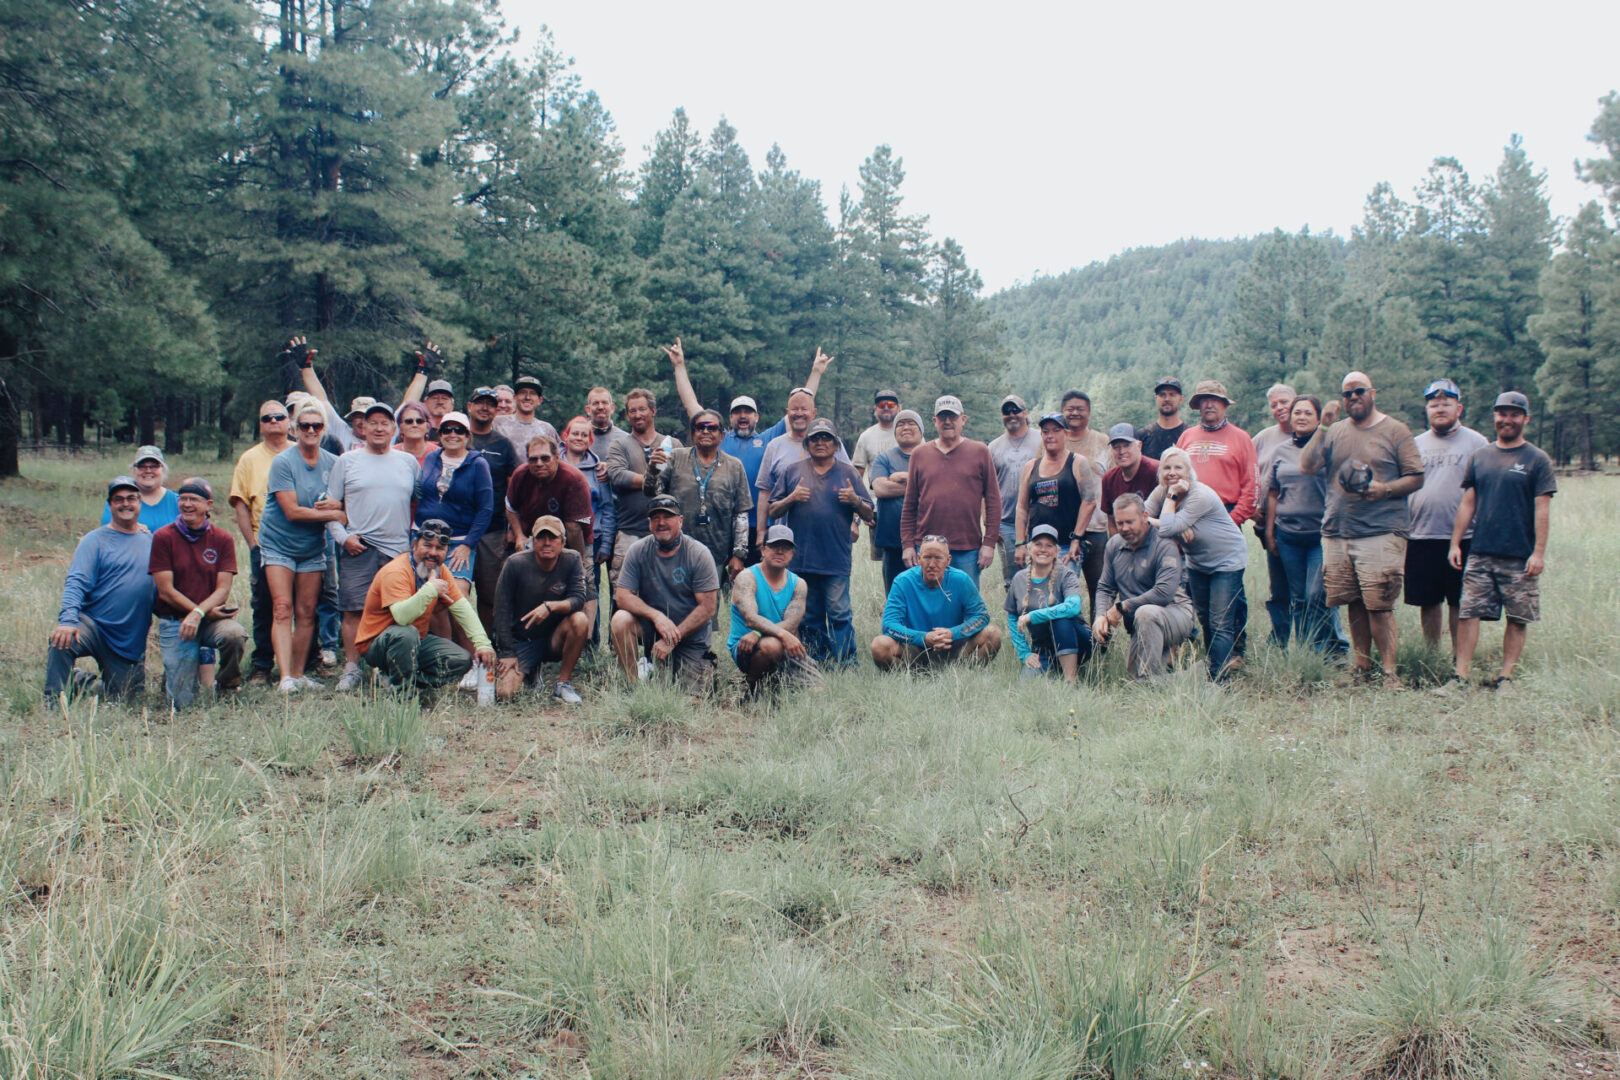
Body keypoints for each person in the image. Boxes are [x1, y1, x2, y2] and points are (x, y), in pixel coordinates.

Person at [1298, 371, 1425, 687]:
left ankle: (1390, 672)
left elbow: (1416, 477)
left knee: (1379, 604)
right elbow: (1307, 464)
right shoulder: (1335, 431)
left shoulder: (1396, 430)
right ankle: (1362, 667)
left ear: (1373, 393)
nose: (1353, 398)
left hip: (1381, 531)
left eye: (1359, 391)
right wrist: (1323, 425)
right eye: (1347, 393)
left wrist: (1385, 489)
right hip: (1338, 530)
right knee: (1353, 600)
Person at [1437, 391, 1555, 694]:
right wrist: (1455, 543)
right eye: (1502, 414)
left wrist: (1538, 553)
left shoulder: (1537, 459)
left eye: (1515, 414)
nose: (1507, 419)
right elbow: (1468, 503)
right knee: (1468, 612)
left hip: (1518, 555)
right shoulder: (1481, 457)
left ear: (1525, 419)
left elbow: (1542, 509)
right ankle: (1460, 677)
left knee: (1518, 617)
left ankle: (1506, 678)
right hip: (1480, 552)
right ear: (1495, 417)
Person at [324, 400, 420, 692]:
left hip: (398, 551)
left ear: (394, 429)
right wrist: (344, 538)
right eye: (372, 423)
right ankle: (352, 668)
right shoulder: (347, 461)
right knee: (353, 609)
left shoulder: (408, 462)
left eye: (385, 423)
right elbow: (331, 507)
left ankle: (391, 669)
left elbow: (419, 504)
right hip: (359, 547)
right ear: (362, 428)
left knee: (396, 611)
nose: (379, 428)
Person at [767, 419, 875, 666]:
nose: (820, 443)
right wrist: (792, 498)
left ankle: (847, 662)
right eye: (815, 438)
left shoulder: (848, 473)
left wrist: (855, 501)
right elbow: (773, 511)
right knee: (810, 614)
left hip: (836, 557)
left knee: (839, 612)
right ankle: (817, 660)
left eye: (826, 438)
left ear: (836, 444)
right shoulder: (793, 471)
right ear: (806, 444)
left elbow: (870, 514)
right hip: (802, 558)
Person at [44, 476, 155, 703]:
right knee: (61, 642)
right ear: (110, 505)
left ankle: (82, 682)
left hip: (128, 638)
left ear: (140, 502)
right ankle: (53, 702)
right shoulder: (94, 540)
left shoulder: (152, 540)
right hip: (93, 625)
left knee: (125, 699)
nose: (125, 504)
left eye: (131, 498)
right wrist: (67, 620)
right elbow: (76, 581)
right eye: (118, 499)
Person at [355, 519, 497, 692]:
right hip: (377, 644)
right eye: (427, 546)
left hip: (416, 641)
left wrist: (483, 643)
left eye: (440, 548)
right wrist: (430, 589)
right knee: (406, 633)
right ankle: (401, 695)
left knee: (460, 659)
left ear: (446, 551)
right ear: (414, 545)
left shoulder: (441, 571)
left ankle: (407, 682)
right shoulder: (396, 571)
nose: (433, 553)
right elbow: (402, 617)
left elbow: (462, 608)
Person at [258, 403, 343, 693]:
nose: (310, 431)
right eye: (304, 425)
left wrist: (338, 508)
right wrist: (334, 514)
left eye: (316, 426)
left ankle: (298, 673)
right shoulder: (283, 462)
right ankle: (284, 677)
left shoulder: (333, 463)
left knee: (307, 611)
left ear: (323, 431)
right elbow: (292, 511)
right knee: (283, 608)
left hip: (312, 545)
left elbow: (343, 500)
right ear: (294, 430)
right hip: (278, 542)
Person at [1145, 447, 1249, 681]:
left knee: (1219, 621)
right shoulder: (1161, 491)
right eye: (1167, 467)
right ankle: (1214, 667)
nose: (1172, 473)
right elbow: (1140, 517)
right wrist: (1166, 521)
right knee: (1204, 618)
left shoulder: (1199, 495)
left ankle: (1219, 681)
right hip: (1198, 562)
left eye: (1178, 467)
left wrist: (1171, 510)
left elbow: (1168, 529)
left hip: (1227, 560)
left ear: (1189, 472)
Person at [1406, 378, 1488, 654]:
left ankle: (1458, 658)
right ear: (1426, 409)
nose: (1439, 409)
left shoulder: (1477, 443)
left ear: (1459, 408)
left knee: (1459, 601)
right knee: (1428, 601)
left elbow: (1485, 490)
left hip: (1464, 536)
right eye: (1434, 404)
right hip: (1421, 533)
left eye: (1446, 404)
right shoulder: (1414, 444)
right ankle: (1431, 655)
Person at [148, 477, 246, 707]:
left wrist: (199, 614)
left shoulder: (222, 539)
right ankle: (173, 674)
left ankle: (227, 685)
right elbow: (166, 591)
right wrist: (198, 612)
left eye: (194, 499)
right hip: (176, 621)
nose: (187, 504)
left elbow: (223, 589)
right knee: (181, 703)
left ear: (208, 505)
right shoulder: (163, 537)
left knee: (234, 635)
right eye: (183, 499)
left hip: (209, 620)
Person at [610, 494, 721, 691]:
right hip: (653, 629)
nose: (661, 523)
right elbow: (622, 596)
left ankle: (663, 665)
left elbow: (708, 608)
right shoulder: (638, 550)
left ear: (680, 520)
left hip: (690, 637)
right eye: (655, 518)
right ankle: (634, 686)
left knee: (692, 701)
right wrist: (656, 616)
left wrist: (672, 638)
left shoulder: (698, 553)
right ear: (649, 522)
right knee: (620, 619)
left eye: (667, 517)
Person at [1265, 396, 1344, 653]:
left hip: (1321, 534)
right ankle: (1305, 649)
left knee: (1317, 595)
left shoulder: (1329, 448)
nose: (1301, 417)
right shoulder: (1281, 451)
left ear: (1318, 418)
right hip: (1288, 534)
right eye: (1296, 412)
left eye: (1308, 413)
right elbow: (1273, 493)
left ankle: (1327, 648)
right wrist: (1270, 532)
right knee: (1298, 598)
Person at [1092, 494, 1199, 679]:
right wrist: (1101, 615)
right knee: (1134, 679)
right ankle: (1195, 675)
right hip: (1139, 625)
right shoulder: (1114, 546)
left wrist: (1122, 607)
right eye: (1120, 523)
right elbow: (1105, 587)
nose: (1124, 528)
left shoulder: (1164, 545)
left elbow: (1163, 593)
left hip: (1175, 614)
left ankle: (1151, 681)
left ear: (1144, 516)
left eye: (1130, 522)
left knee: (1146, 613)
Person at [899, 396, 1000, 585]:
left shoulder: (980, 451)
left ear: (963, 420)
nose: (947, 422)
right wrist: (907, 545)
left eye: (952, 417)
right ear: (934, 421)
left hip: (967, 548)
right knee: (928, 603)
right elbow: (910, 504)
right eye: (942, 417)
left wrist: (989, 543)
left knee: (965, 605)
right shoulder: (920, 454)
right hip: (927, 547)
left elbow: (994, 501)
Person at [646, 409, 752, 584]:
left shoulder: (734, 466)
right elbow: (652, 493)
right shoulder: (676, 458)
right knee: (674, 605)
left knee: (708, 606)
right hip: (675, 548)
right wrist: (653, 469)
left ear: (722, 434)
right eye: (700, 427)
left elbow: (741, 514)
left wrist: (739, 555)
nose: (705, 431)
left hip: (716, 552)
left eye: (711, 428)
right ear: (692, 432)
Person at [492, 516, 590, 704]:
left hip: (554, 637)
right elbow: (501, 610)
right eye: (541, 537)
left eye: (552, 538)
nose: (547, 543)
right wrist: (507, 653)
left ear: (563, 542)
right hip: (522, 640)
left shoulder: (572, 559)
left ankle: (563, 683)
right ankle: (531, 670)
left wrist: (550, 607)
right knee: (505, 693)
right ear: (532, 541)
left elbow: (579, 599)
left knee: (580, 620)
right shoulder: (515, 563)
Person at [230, 399, 292, 685]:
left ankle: (307, 659)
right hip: (265, 545)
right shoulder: (249, 459)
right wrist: (253, 544)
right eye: (267, 418)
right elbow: (241, 504)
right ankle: (263, 665)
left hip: (302, 541)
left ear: (289, 421)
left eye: (279, 417)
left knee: (306, 605)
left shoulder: (300, 451)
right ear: (260, 424)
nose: (274, 422)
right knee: (265, 606)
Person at [872, 535, 1001, 668]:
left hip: (954, 646)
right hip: (915, 649)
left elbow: (981, 616)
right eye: (927, 557)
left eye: (938, 558)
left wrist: (952, 634)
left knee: (993, 634)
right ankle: (913, 676)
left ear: (948, 560)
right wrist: (924, 637)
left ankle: (961, 673)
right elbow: (888, 625)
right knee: (879, 646)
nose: (932, 564)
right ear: (919, 558)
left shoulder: (961, 580)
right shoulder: (903, 581)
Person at [287, 335, 430, 452]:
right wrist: (306, 367)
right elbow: (322, 401)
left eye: (368, 419)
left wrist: (423, 371)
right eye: (358, 417)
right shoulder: (341, 431)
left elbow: (408, 403)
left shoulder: (385, 433)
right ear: (351, 418)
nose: (362, 422)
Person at [728, 525, 824, 695]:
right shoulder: (747, 577)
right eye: (774, 546)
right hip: (747, 647)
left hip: (786, 647)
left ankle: (776, 682)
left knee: (818, 691)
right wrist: (781, 635)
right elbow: (751, 618)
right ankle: (750, 686)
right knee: (772, 646)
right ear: (763, 550)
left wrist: (758, 633)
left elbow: (791, 624)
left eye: (786, 547)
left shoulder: (798, 584)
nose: (780, 551)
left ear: (792, 553)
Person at [605, 387, 682, 591]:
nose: (637, 414)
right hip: (630, 532)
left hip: (668, 531)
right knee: (624, 594)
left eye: (642, 409)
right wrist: (653, 478)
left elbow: (680, 481)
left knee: (666, 592)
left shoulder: (672, 444)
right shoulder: (619, 445)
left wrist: (657, 479)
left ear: (653, 410)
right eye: (632, 411)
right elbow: (618, 476)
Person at [754, 385, 851, 547]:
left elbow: (850, 484)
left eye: (804, 409)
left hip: (827, 534)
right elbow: (765, 492)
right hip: (784, 536)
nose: (799, 413)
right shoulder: (774, 446)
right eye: (794, 409)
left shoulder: (832, 444)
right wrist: (761, 531)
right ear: (787, 413)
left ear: (814, 413)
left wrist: (854, 522)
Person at [414, 410, 493, 595]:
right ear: (440, 435)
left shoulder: (478, 464)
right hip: (423, 536)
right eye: (447, 430)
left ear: (467, 436)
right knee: (419, 590)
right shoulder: (432, 457)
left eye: (459, 430)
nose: (452, 434)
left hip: (457, 542)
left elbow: (485, 509)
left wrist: (468, 544)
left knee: (457, 595)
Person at [466, 386, 522, 638]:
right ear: (469, 406)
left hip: (493, 530)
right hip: (459, 530)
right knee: (455, 593)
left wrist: (513, 528)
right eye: (479, 402)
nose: (485, 407)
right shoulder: (457, 436)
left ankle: (489, 643)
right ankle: (461, 647)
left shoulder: (503, 444)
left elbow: (514, 489)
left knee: (490, 594)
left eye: (490, 403)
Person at [1005, 524, 1091, 684]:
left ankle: (1071, 681)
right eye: (1038, 545)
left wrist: (1033, 616)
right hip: (1043, 649)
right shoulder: (1019, 579)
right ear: (1029, 549)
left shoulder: (1067, 575)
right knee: (1027, 686)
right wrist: (1025, 653)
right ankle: (1052, 665)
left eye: (1049, 546)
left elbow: (1073, 607)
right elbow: (1012, 617)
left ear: (1057, 551)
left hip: (1078, 643)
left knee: (1061, 618)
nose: (1043, 549)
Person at [1014, 412, 1099, 571]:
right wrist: (1020, 543)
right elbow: (1021, 507)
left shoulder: (1077, 462)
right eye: (1046, 432)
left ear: (1066, 434)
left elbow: (1089, 502)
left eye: (1056, 431)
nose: (1050, 436)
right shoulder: (1031, 466)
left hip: (1066, 546)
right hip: (1038, 546)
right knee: (1037, 593)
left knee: (1065, 593)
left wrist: (1076, 539)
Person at [561, 416, 616, 644]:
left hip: (589, 540)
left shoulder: (598, 470)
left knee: (588, 589)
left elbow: (607, 507)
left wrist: (606, 543)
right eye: (575, 433)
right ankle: (560, 642)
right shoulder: (554, 463)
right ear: (566, 436)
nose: (579, 438)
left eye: (584, 435)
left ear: (590, 439)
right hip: (557, 538)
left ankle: (589, 643)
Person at [1250, 384, 1297, 647]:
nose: (1279, 408)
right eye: (1274, 405)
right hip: (1269, 524)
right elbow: (1249, 473)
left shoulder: (1310, 435)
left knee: (1313, 589)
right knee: (1279, 587)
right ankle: (1279, 639)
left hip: (1303, 524)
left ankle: (1327, 641)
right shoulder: (1262, 438)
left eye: (1284, 402)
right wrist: (1252, 504)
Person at [1175, 380, 1257, 526]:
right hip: (1188, 516)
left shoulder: (1242, 438)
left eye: (1215, 400)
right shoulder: (1186, 437)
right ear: (1199, 406)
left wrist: (1232, 520)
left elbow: (1252, 486)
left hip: (1226, 514)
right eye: (1204, 400)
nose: (1209, 405)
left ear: (1225, 405)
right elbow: (1173, 478)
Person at [1060, 389, 1112, 603]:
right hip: (1061, 530)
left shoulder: (1103, 441)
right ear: (1062, 412)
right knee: (1060, 588)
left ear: (1089, 413)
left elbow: (1114, 481)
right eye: (1069, 409)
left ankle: (1100, 636)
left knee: (1099, 588)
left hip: (1097, 527)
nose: (1074, 413)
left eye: (1080, 409)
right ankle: (1066, 636)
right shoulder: (1053, 441)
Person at [506, 434, 594, 555]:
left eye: (545, 458)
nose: (539, 463)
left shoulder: (574, 479)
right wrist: (519, 535)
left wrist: (578, 561)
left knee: (578, 569)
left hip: (575, 538)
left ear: (557, 457)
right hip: (533, 537)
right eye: (533, 459)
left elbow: (574, 528)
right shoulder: (520, 475)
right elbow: (511, 507)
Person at [869, 409, 925, 596]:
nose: (906, 427)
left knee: (926, 593)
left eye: (911, 423)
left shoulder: (930, 455)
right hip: (893, 540)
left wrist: (900, 477)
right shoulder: (884, 458)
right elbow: (881, 489)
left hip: (927, 539)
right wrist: (921, 485)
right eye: (900, 424)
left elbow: (939, 485)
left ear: (921, 430)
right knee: (896, 595)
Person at [987, 394, 1041, 582]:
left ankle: (1040, 611)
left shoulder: (1041, 440)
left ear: (1025, 413)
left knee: (1042, 574)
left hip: (1038, 518)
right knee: (1013, 578)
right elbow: (987, 487)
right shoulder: (993, 447)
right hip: (1006, 522)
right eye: (1006, 412)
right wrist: (989, 523)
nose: (1011, 415)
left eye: (1015, 410)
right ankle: (1016, 611)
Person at [101, 445, 178, 530]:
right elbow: (108, 532)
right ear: (134, 470)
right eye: (142, 466)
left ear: (163, 469)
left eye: (154, 466)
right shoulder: (119, 501)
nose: (148, 471)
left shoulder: (178, 501)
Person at [1101, 423, 1159, 534]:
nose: (1122, 451)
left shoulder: (1157, 472)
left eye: (1127, 445)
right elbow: (1112, 520)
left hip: (1156, 539)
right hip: (1126, 540)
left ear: (1139, 446)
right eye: (1116, 447)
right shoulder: (1109, 479)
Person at [493, 374, 561, 459]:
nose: (527, 397)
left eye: (532, 393)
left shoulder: (547, 429)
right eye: (522, 392)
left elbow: (559, 458)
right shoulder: (497, 423)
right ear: (515, 398)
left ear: (540, 400)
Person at [851, 388, 901, 476]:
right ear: (875, 409)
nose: (886, 408)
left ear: (899, 408)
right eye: (881, 405)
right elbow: (857, 472)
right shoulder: (866, 436)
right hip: (875, 489)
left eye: (891, 405)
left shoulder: (910, 434)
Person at [1136, 377, 1188, 461]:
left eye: (1172, 394)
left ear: (1181, 399)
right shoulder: (1142, 436)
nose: (1167, 399)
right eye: (1162, 394)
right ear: (1156, 398)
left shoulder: (1189, 435)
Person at [395, 400, 437, 465]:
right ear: (400, 427)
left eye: (420, 421)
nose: (414, 425)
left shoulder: (439, 454)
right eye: (409, 421)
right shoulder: (392, 454)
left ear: (428, 426)